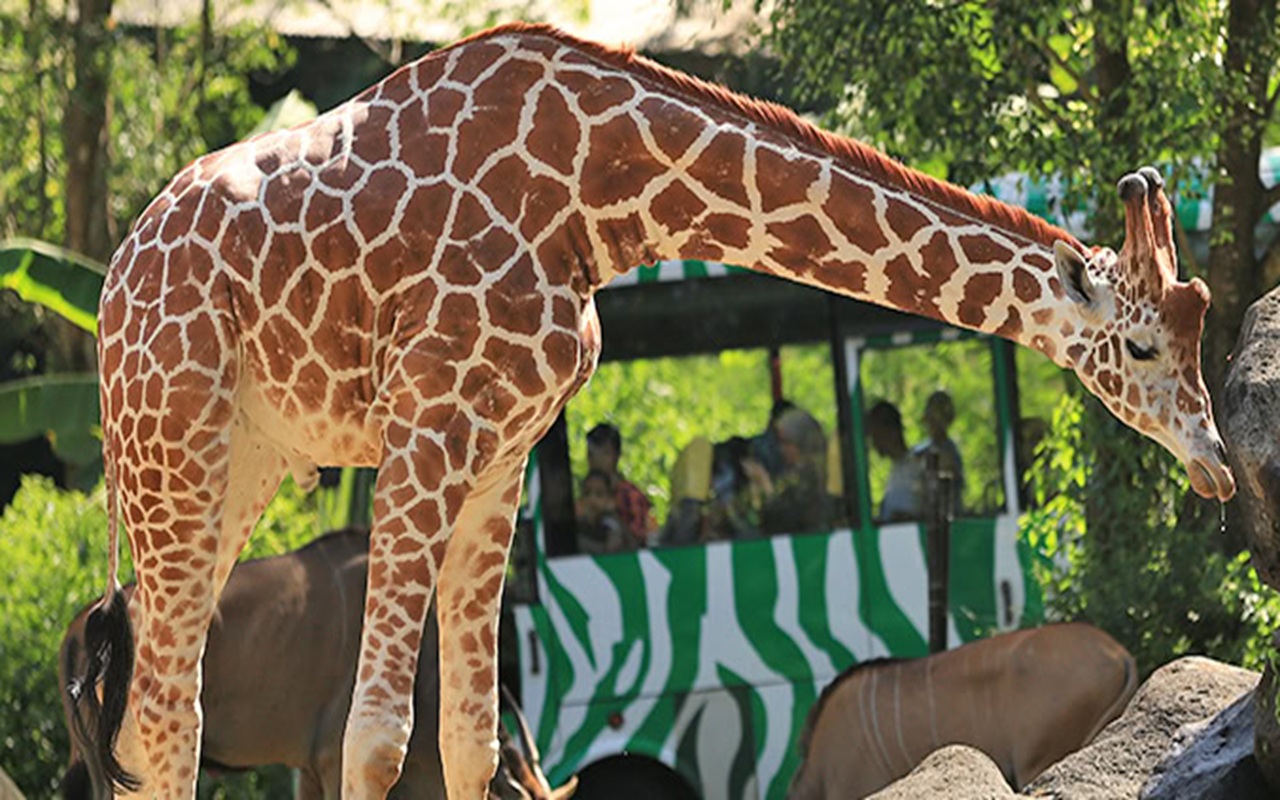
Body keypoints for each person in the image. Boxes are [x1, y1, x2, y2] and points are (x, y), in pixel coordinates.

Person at [586, 422, 655, 543]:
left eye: (605, 453)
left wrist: (612, 514)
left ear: (617, 456)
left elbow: (640, 544)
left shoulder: (630, 495)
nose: (597, 460)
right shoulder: (585, 493)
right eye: (592, 454)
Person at [866, 400, 923, 522]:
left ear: (892, 431)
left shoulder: (917, 465)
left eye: (876, 435)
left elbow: (930, 513)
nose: (874, 443)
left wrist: (907, 518)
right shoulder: (895, 470)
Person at [912, 390, 965, 514]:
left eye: (935, 419)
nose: (931, 424)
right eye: (929, 419)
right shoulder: (923, 449)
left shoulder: (949, 451)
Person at [575, 469, 635, 554]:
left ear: (610, 501)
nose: (592, 499)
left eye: (599, 494)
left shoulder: (612, 523)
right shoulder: (577, 526)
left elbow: (612, 548)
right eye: (587, 493)